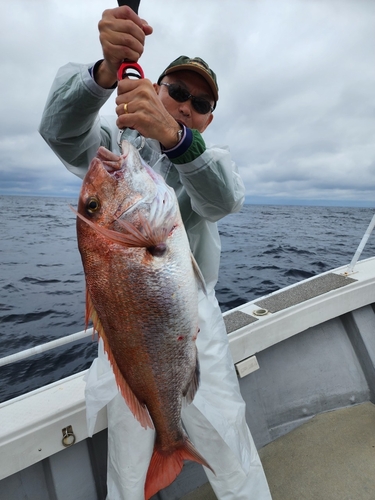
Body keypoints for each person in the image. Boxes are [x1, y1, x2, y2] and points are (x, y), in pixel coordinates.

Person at [39, 6, 272, 500]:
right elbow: (60, 131)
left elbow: (222, 199)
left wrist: (175, 140)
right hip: (126, 324)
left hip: (192, 318)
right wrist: (103, 72)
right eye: (178, 92)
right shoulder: (115, 153)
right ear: (156, 87)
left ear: (209, 118)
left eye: (201, 103)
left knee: (227, 437)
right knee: (127, 458)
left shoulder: (209, 160)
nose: (187, 105)